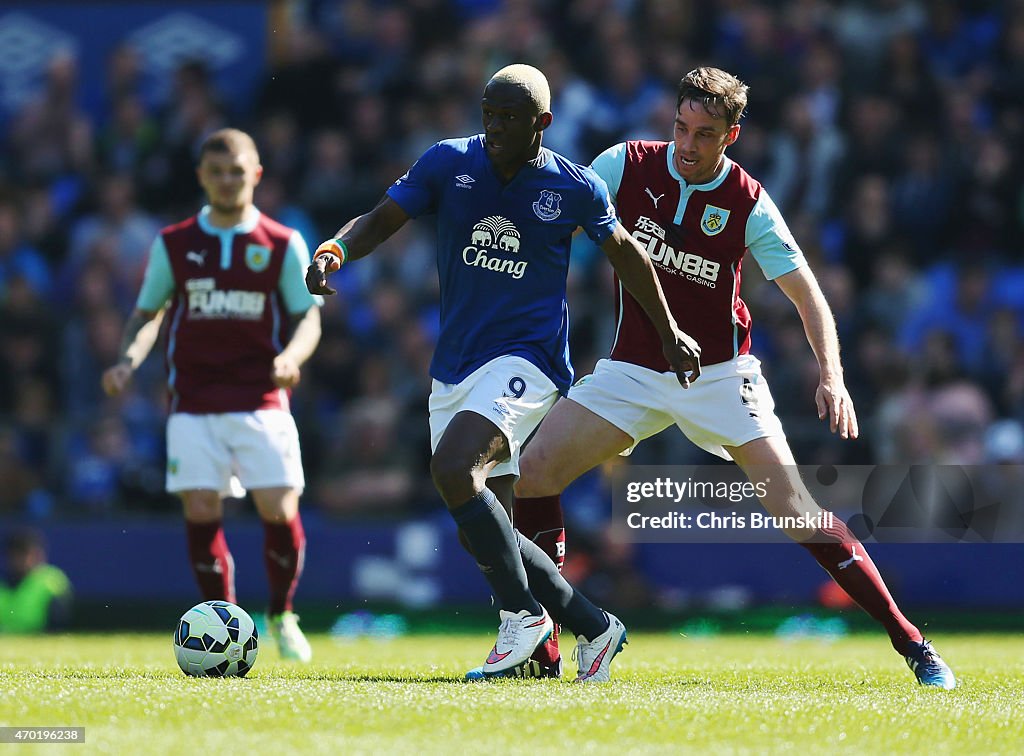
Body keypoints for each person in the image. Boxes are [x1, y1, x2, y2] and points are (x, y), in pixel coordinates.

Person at [507, 67, 956, 689]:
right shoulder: (624, 166)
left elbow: (808, 295)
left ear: (732, 135)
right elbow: (559, 215)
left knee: (798, 511)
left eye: (705, 134)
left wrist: (833, 375)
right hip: (633, 369)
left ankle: (914, 643)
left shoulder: (747, 201)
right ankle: (546, 647)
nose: (687, 145)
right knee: (533, 474)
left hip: (719, 377)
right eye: (681, 128)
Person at [306, 64, 700, 681]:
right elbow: (383, 216)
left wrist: (670, 330)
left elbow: (626, 253)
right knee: (483, 528)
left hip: (529, 361)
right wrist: (336, 248)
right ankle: (595, 627)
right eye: (488, 112)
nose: (493, 127)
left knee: (453, 470)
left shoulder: (572, 186)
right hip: (456, 367)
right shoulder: (447, 163)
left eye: (509, 117)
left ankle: (523, 616)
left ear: (542, 124)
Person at [101, 128, 321, 662]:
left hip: (261, 399)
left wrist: (291, 358)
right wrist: (128, 360)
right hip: (194, 400)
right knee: (200, 507)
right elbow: (147, 315)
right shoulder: (174, 243)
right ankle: (221, 624)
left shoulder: (281, 242)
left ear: (257, 175)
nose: (227, 181)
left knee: (278, 506)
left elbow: (307, 316)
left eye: (237, 172)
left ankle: (282, 613)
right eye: (217, 172)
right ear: (201, 176)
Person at [0, 528, 72, 634]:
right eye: (15, 555)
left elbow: (60, 623)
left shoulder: (52, 582)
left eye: (24, 553)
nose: (20, 560)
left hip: (41, 637)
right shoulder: (3, 585)